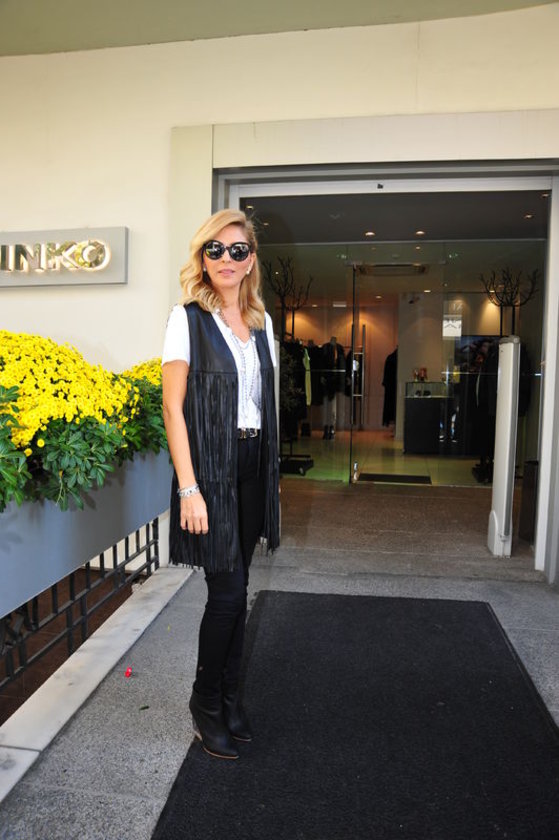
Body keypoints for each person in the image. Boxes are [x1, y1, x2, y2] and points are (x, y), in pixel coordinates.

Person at [161, 209, 279, 760]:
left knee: (240, 588)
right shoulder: (185, 319)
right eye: (215, 249)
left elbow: (263, 403)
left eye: (237, 250)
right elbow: (173, 408)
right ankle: (205, 702)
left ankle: (230, 698)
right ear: (202, 258)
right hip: (210, 469)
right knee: (227, 594)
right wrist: (189, 489)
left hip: (253, 466)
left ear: (250, 260)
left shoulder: (262, 322)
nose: (226, 259)